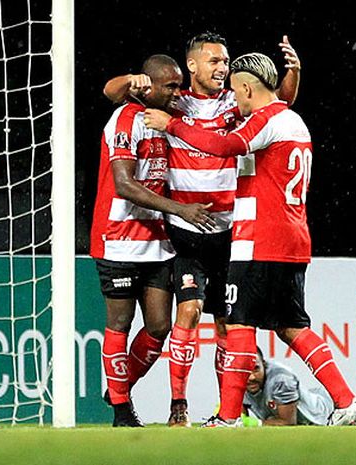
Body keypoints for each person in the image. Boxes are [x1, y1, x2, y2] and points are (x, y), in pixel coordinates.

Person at [144, 52, 356, 427]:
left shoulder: (266, 120)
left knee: (239, 324)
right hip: (293, 239)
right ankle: (347, 402)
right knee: (293, 326)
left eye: (236, 91)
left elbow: (222, 146)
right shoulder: (293, 120)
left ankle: (228, 417)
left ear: (247, 87)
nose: (235, 100)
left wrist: (173, 126)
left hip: (259, 239)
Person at [104, 32, 301, 427]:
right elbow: (114, 93)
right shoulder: (172, 101)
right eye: (214, 61)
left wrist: (294, 71)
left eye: (225, 61)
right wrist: (132, 81)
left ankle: (225, 409)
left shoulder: (235, 102)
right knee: (188, 313)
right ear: (192, 65)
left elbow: (280, 103)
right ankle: (179, 403)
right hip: (184, 230)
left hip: (229, 231)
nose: (222, 68)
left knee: (228, 324)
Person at [91, 54, 215, 427]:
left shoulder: (167, 123)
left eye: (180, 85)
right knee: (120, 323)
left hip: (157, 242)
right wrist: (180, 209)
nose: (178, 93)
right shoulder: (126, 120)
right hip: (119, 239)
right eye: (171, 86)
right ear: (149, 85)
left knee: (159, 326)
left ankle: (119, 385)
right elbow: (125, 185)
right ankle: (120, 409)